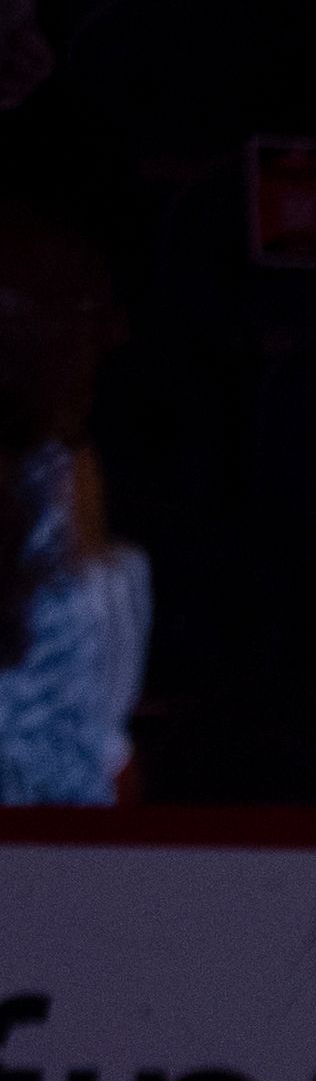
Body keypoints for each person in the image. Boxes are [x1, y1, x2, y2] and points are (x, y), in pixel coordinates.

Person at [0, 218, 146, 806]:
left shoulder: (62, 477)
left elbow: (97, 746)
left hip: (60, 851)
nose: (112, 337)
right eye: (87, 317)